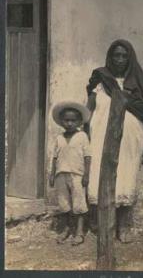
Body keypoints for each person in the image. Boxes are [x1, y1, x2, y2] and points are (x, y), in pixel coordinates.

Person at [86, 39, 143, 243]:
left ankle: (123, 225)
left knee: (126, 175)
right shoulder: (100, 79)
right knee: (100, 174)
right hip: (101, 136)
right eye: (116, 55)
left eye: (124, 55)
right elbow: (89, 108)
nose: (119, 59)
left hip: (129, 138)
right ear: (110, 56)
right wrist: (86, 132)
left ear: (130, 58)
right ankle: (103, 223)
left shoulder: (138, 82)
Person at [49, 102, 91, 245]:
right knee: (64, 204)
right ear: (62, 121)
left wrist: (86, 175)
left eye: (73, 120)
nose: (70, 123)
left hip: (77, 174)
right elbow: (55, 157)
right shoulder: (59, 138)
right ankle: (66, 229)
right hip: (61, 174)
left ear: (79, 121)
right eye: (66, 120)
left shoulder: (82, 136)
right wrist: (52, 173)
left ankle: (79, 232)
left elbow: (87, 157)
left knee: (79, 204)